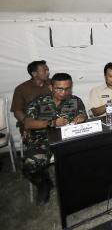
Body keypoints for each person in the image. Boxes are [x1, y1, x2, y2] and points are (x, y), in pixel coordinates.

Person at [23, 73, 86, 205]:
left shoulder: (75, 101)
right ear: (51, 87)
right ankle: (44, 183)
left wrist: (81, 119)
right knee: (30, 165)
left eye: (68, 88)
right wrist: (51, 123)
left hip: (67, 138)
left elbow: (83, 115)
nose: (64, 92)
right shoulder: (39, 102)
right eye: (59, 88)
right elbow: (28, 123)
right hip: (42, 139)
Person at [11, 60, 51, 137]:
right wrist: (27, 123)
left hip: (52, 121)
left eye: (48, 70)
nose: (48, 72)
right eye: (44, 70)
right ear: (34, 73)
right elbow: (17, 111)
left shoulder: (53, 83)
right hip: (33, 125)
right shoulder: (21, 89)